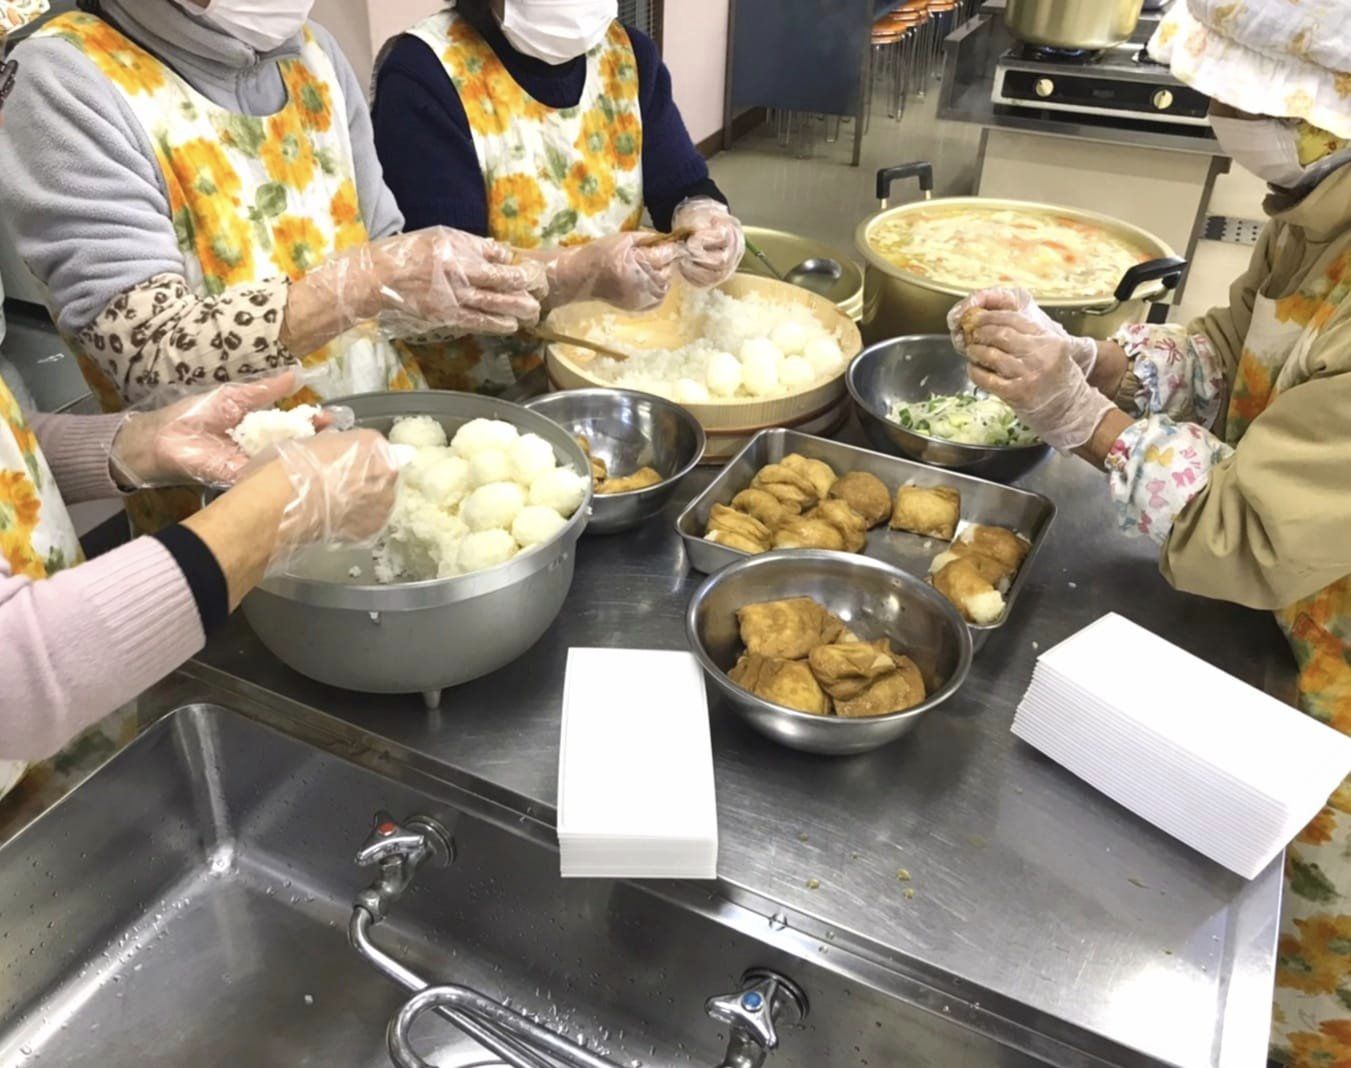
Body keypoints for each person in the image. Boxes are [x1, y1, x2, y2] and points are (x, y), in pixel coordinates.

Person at [949, 4, 1350, 1062]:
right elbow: (1233, 342)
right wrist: (1094, 360)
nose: (1213, 107)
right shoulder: (1321, 205)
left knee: (1282, 973)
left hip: (1330, 688)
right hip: (1276, 627)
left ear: (1321, 107)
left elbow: (1245, 529)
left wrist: (1080, 419)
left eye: (1236, 92)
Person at [0, 0, 549, 527]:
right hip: (236, 505)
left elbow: (391, 275)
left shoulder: (314, 52)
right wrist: (362, 282)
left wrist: (537, 277)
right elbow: (150, 357)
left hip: (395, 454)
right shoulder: (64, 78)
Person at [371, 0, 745, 392]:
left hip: (601, 359)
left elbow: (680, 186)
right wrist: (577, 273)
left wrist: (703, 217)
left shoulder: (627, 55)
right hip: (479, 385)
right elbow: (444, 277)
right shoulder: (426, 72)